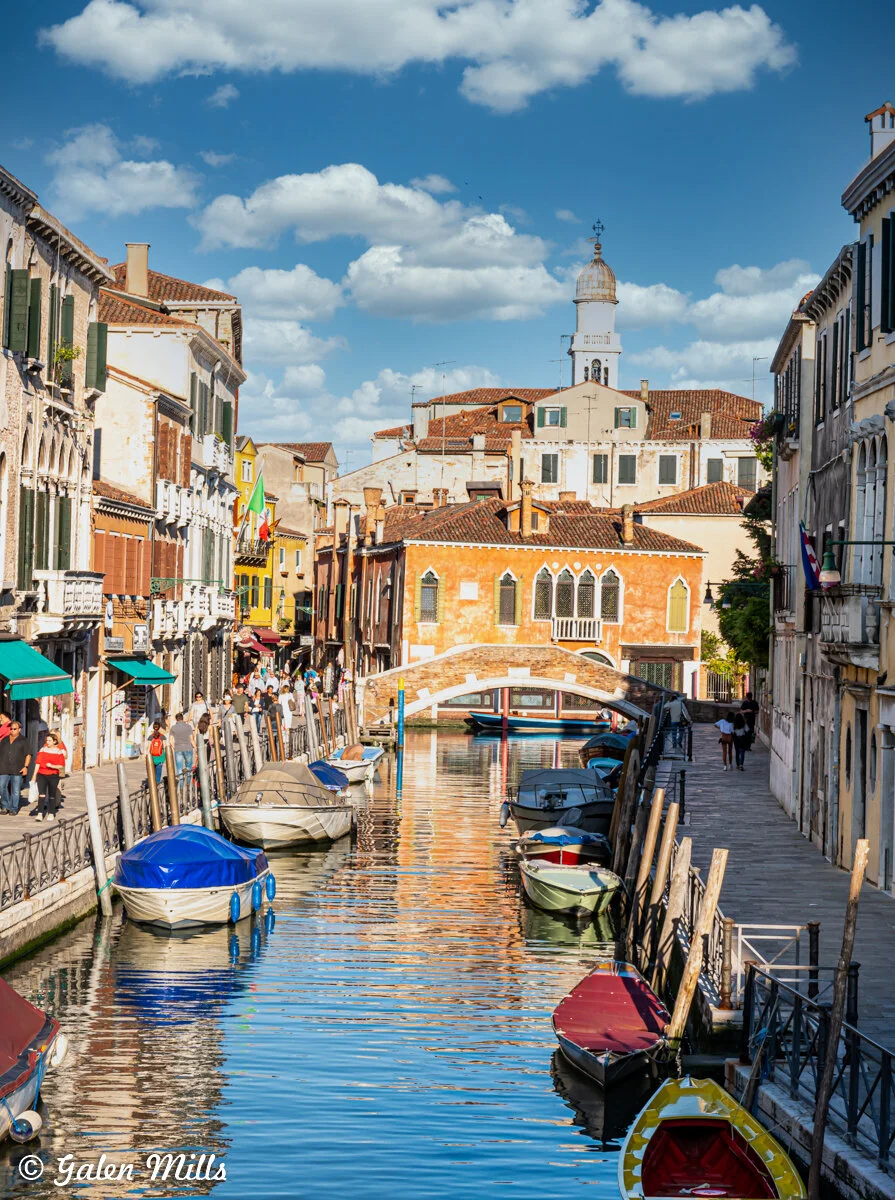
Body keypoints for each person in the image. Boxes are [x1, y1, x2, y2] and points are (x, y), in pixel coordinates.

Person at [0, 721, 32, 814]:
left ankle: (13, 808)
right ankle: (5, 806)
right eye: (11, 729)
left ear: (19, 729)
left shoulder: (24, 740)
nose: (12, 731)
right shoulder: (4, 740)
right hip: (4, 768)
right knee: (1, 787)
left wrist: (26, 767)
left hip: (18, 768)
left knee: (16, 790)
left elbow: (28, 754)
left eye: (14, 729)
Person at [33, 732, 67, 821]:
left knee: (52, 795)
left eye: (49, 740)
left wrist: (52, 766)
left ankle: (51, 813)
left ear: (54, 741)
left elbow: (61, 766)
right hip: (41, 774)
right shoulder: (42, 750)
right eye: (47, 740)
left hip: (53, 776)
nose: (47, 742)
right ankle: (40, 813)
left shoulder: (59, 752)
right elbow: (38, 763)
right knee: (41, 794)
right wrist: (34, 775)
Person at [169, 712, 196, 784]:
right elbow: (192, 739)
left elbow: (171, 741)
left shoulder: (173, 728)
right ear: (183, 718)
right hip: (188, 748)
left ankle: (181, 786)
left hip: (178, 749)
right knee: (189, 767)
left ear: (176, 719)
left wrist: (175, 747)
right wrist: (196, 748)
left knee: (179, 769)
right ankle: (188, 784)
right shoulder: (188, 727)